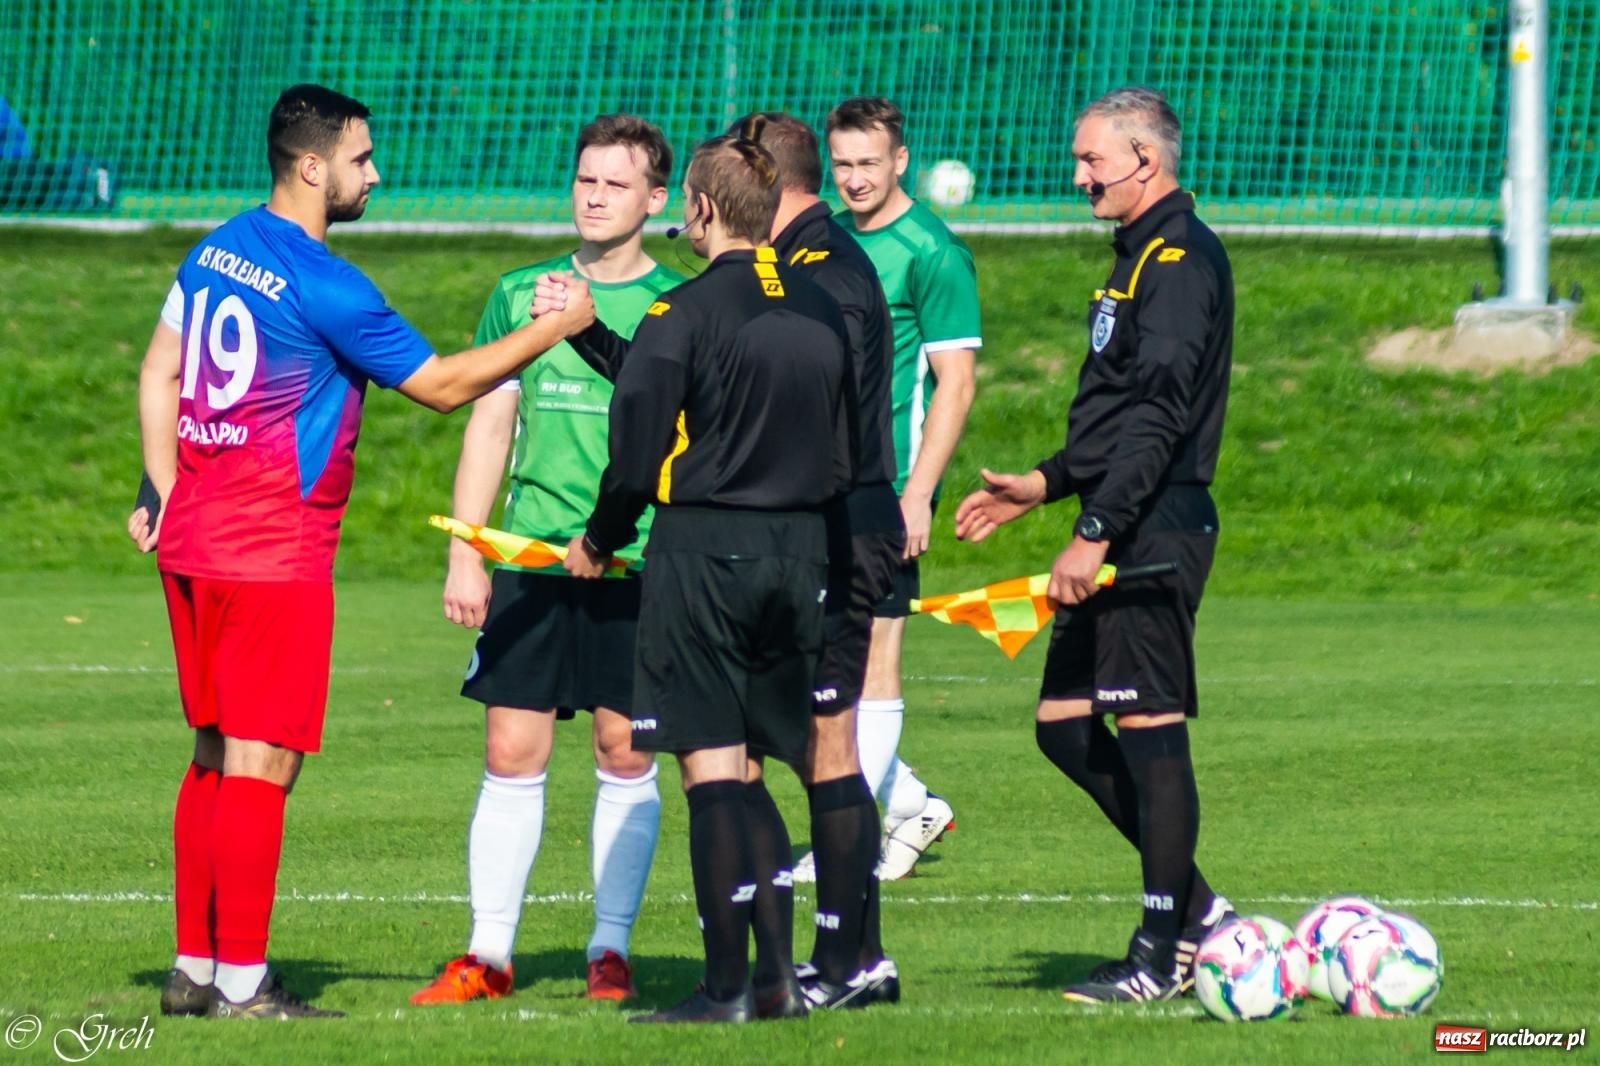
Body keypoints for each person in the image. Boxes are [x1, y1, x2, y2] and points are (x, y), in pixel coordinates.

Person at [127, 83, 595, 1020]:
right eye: (362, 158)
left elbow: (158, 371)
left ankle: (194, 966)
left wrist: (164, 489)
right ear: (313, 166)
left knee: (214, 752)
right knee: (264, 764)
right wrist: (555, 329)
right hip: (272, 552)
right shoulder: (328, 283)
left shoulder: (216, 245)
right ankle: (245, 982)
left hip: (195, 544)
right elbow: (446, 386)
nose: (374, 174)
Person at [550, 116, 853, 1024]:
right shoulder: (821, 307)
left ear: (703, 208)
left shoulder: (681, 312)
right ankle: (777, 982)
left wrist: (598, 541)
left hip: (704, 556)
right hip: (803, 555)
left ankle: (727, 987)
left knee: (713, 772)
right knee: (758, 764)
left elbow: (637, 460)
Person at [953, 86, 1235, 1004]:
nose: (1078, 177)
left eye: (1091, 161)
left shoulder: (1182, 260)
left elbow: (1161, 412)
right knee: (1065, 728)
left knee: (1148, 727)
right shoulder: (1135, 256)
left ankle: (1163, 953)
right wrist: (1045, 482)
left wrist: (1095, 531)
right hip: (1119, 512)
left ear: (1144, 160)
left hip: (1150, 529)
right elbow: (1119, 412)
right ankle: (1201, 916)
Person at [409, 115, 684, 1008]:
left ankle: (610, 952)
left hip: (632, 562)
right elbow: (490, 420)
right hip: (528, 559)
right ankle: (487, 955)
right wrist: (467, 547)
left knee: (624, 751)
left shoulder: (679, 303)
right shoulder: (522, 289)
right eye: (585, 179)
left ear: (657, 199)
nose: (595, 195)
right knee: (511, 748)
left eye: (616, 182)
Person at [724, 111, 904, 1012]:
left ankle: (847, 962)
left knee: (826, 739)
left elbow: (811, 400)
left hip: (835, 524)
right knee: (782, 738)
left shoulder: (825, 270)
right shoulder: (794, 263)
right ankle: (847, 957)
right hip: (809, 523)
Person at [824, 96, 980, 881]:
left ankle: (845, 845)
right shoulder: (829, 239)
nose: (853, 179)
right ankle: (909, 800)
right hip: (819, 487)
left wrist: (917, 493)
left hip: (886, 488)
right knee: (809, 667)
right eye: (842, 163)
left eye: (868, 163)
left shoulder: (932, 251)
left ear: (901, 160)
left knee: (876, 654)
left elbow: (954, 383)